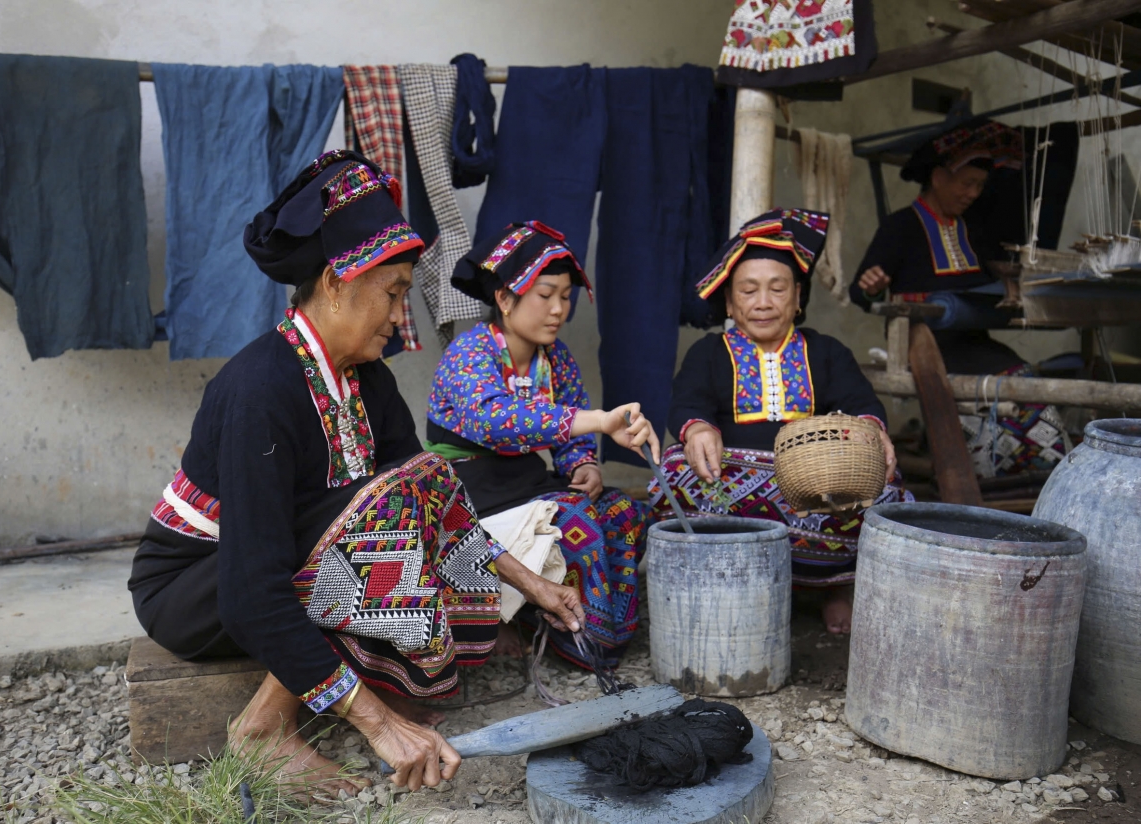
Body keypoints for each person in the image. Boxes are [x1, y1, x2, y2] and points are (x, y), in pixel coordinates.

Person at [128, 152, 584, 797]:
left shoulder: (367, 377)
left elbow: (434, 498)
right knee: (382, 513)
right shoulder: (259, 389)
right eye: (395, 293)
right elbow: (250, 589)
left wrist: (531, 583)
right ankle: (260, 730)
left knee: (420, 484)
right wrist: (379, 727)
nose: (403, 317)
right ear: (340, 280)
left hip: (289, 560)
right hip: (197, 588)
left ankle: (382, 682)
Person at [652, 208, 912, 634]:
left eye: (777, 289)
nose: (763, 302)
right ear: (730, 302)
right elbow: (687, 402)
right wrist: (698, 428)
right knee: (673, 476)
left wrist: (874, 431)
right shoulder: (709, 354)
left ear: (797, 298)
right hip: (730, 480)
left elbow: (860, 400)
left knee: (885, 492)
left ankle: (835, 586)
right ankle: (728, 587)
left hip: (816, 486)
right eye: (748, 291)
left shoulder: (826, 352)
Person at [426, 221, 660, 669]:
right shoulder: (469, 352)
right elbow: (495, 422)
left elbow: (571, 430)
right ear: (504, 298)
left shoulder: (556, 359)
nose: (558, 309)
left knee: (624, 512)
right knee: (574, 521)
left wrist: (584, 465)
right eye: (545, 294)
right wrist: (594, 422)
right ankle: (571, 633)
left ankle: (603, 629)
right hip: (468, 488)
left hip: (525, 480)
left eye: (566, 296)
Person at [850, 120, 1067, 477]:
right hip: (923, 343)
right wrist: (872, 286)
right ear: (938, 177)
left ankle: (1026, 480)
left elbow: (983, 289)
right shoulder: (900, 227)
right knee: (1017, 385)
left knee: (1024, 379)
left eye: (979, 186)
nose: (973, 193)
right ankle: (989, 477)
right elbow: (858, 292)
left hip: (970, 340)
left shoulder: (973, 230)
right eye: (967, 183)